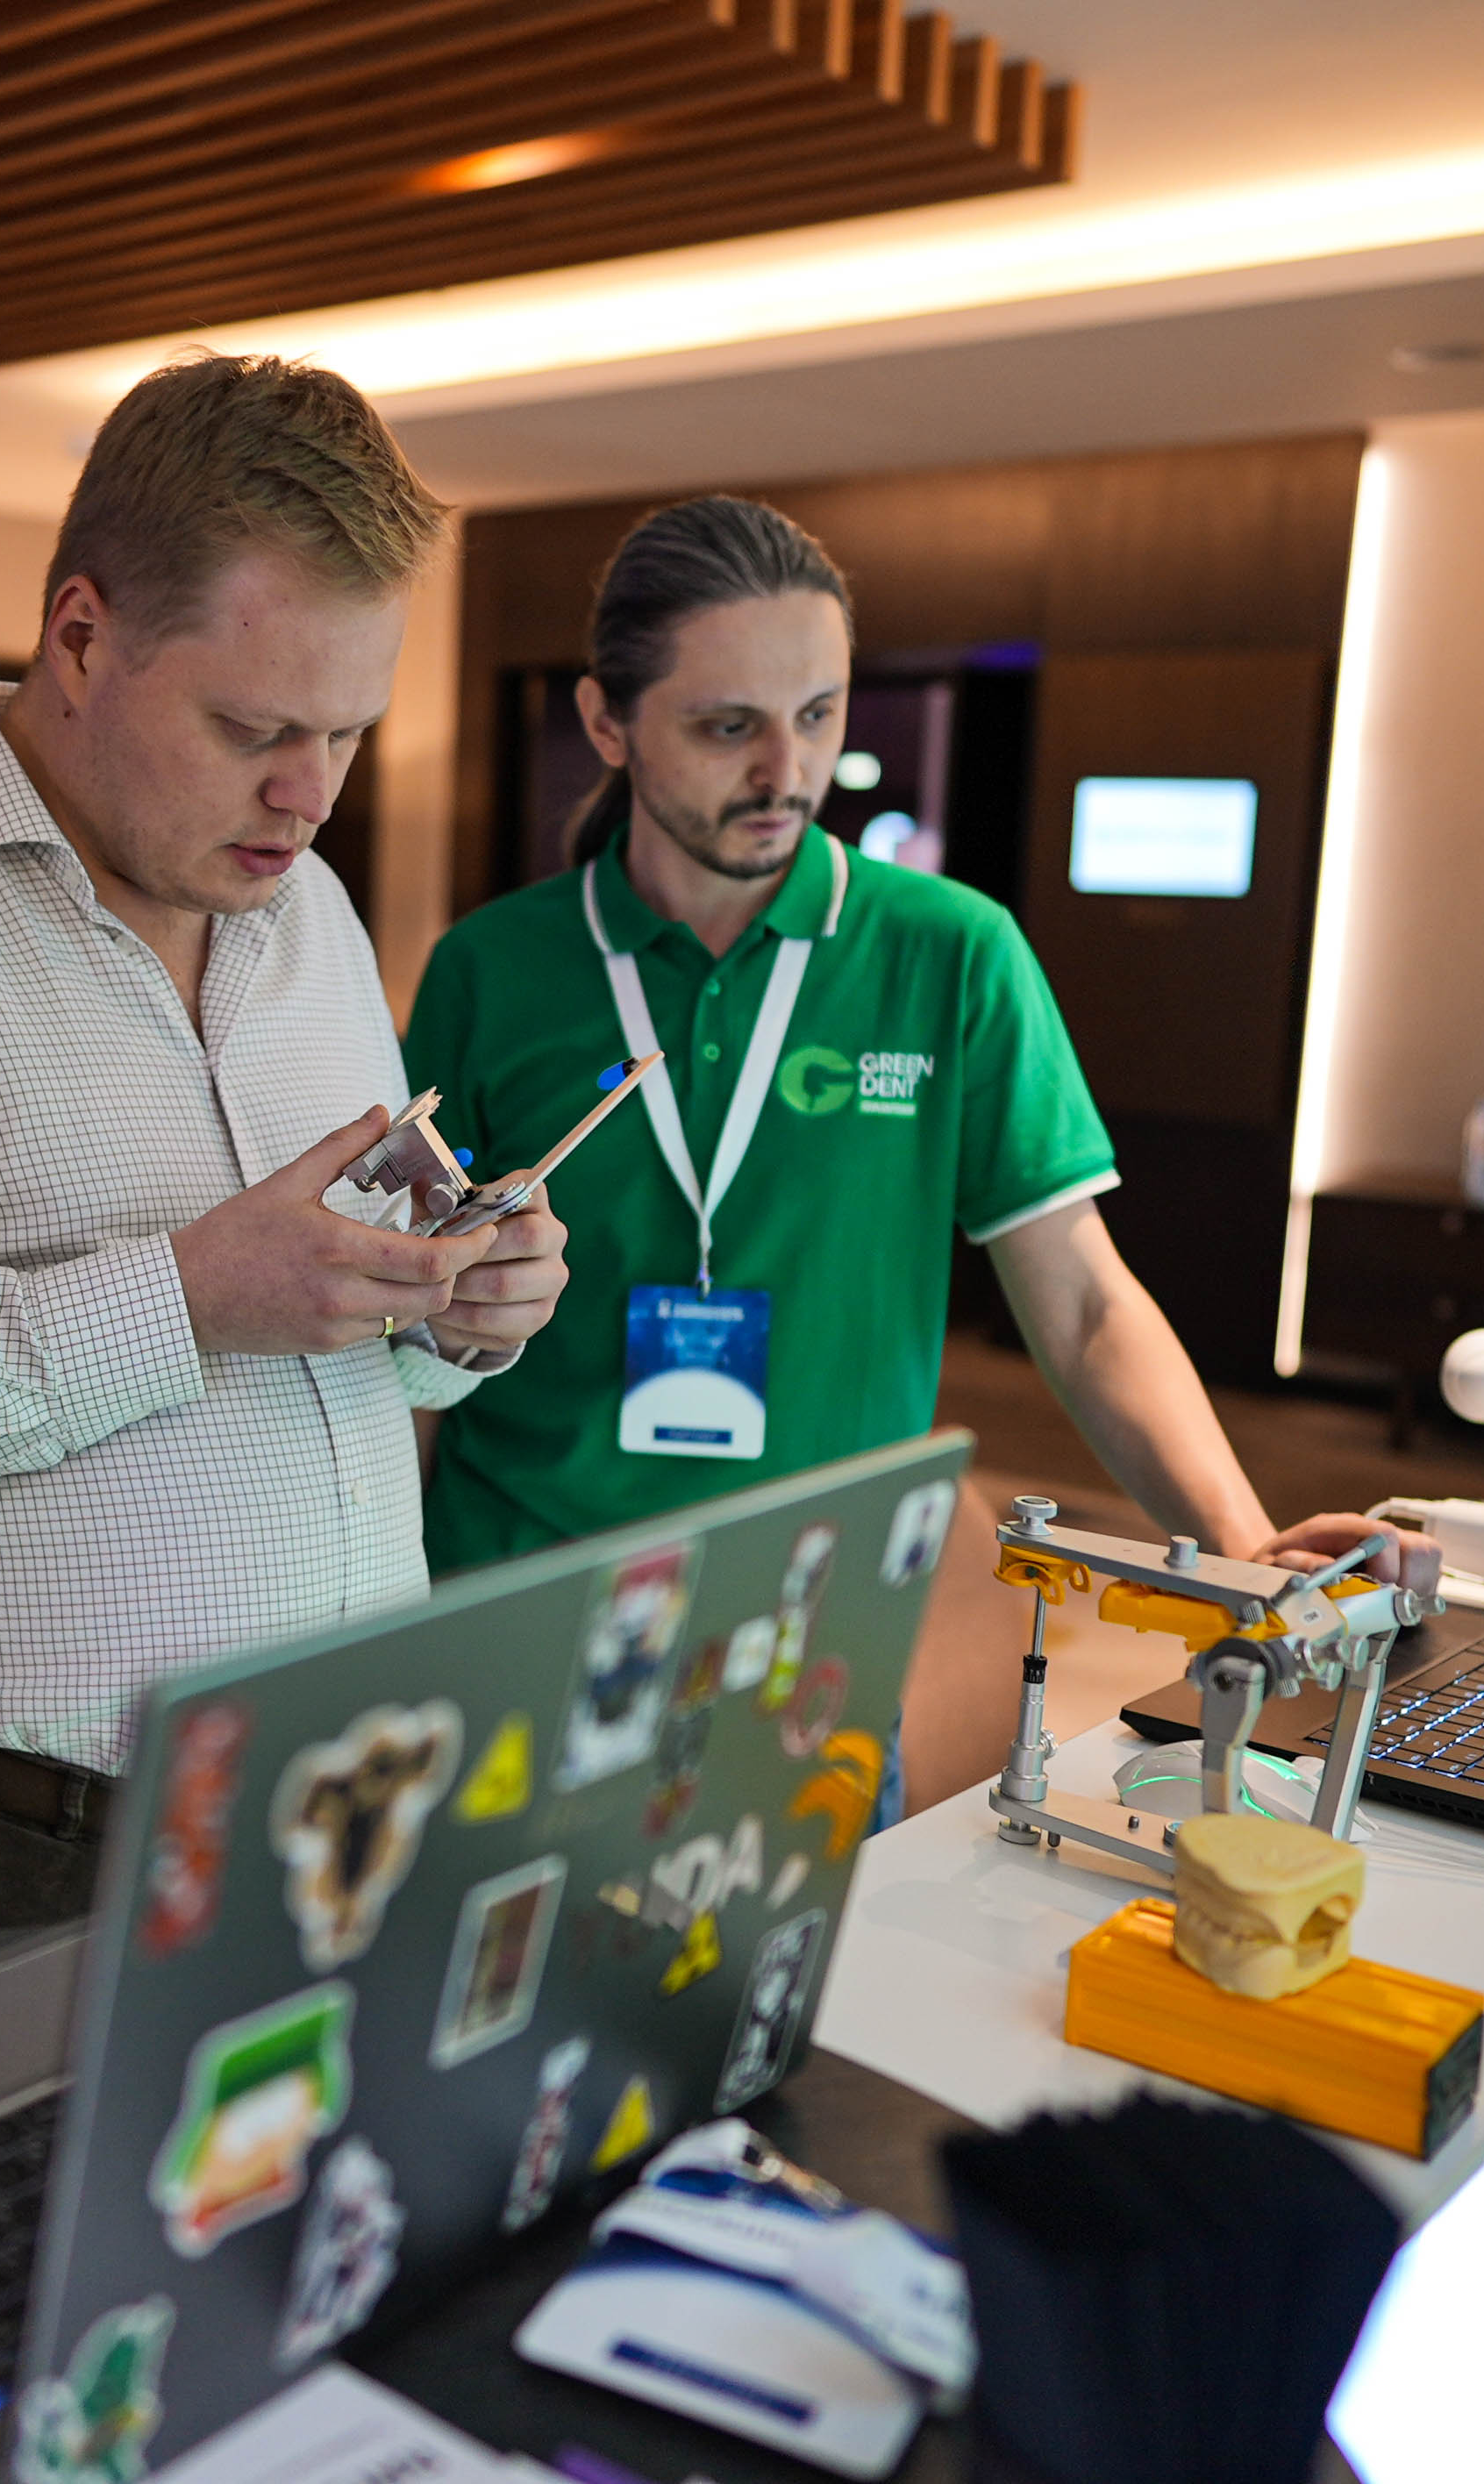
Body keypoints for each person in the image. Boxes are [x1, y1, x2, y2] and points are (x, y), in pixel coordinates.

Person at [0, 354, 574, 1962]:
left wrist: (451, 1315)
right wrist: (181, 1301)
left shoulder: (313, 912)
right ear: (80, 636)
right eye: (253, 727)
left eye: (349, 733)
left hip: (331, 1807)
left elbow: (343, 1336)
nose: (310, 796)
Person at [403, 497, 1424, 1810]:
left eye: (819, 714)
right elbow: (409, 1330)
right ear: (608, 722)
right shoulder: (491, 969)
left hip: (812, 1646)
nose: (788, 771)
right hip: (521, 1612)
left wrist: (1238, 1543)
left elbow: (1082, 1299)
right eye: (728, 727)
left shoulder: (952, 953)